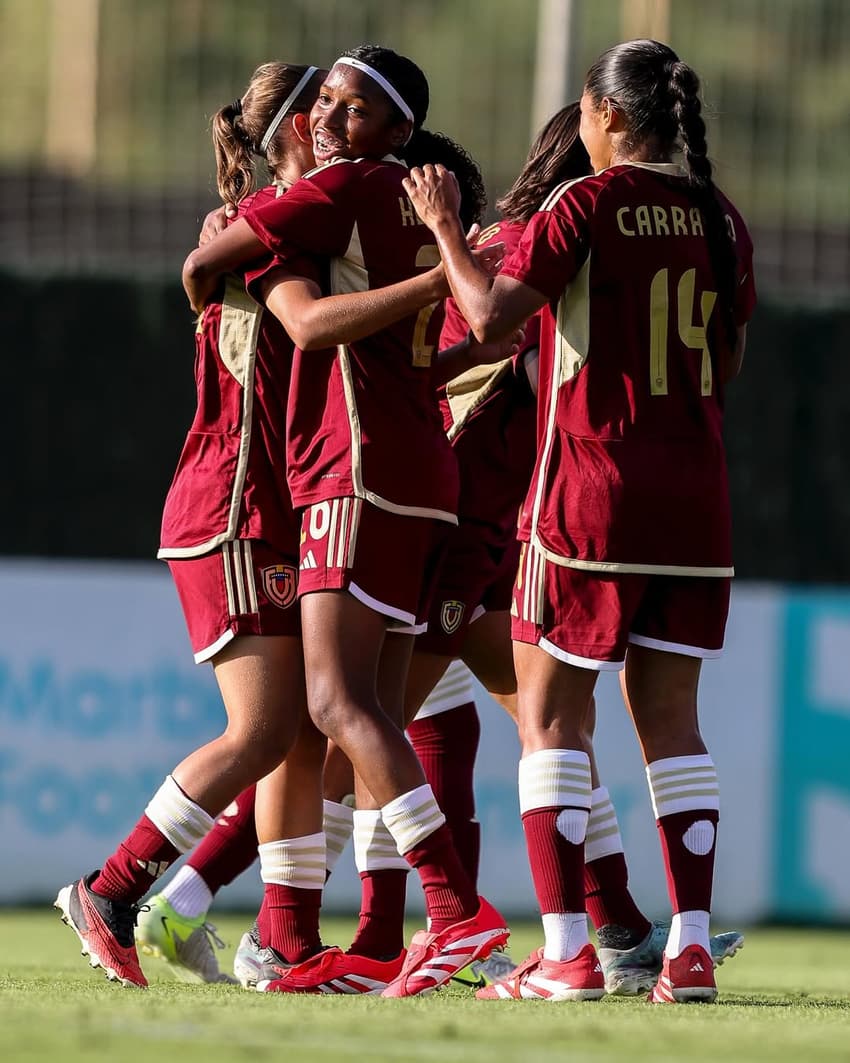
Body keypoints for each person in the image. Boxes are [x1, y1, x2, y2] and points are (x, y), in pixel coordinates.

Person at [403, 39, 755, 1004]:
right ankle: (687, 949)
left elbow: (491, 319)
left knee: (551, 719)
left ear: (606, 116)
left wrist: (444, 229)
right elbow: (725, 362)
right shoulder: (720, 217)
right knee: (673, 723)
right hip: (698, 502)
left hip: (591, 492)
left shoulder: (583, 204)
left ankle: (565, 953)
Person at [180, 45, 512, 999]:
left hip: (352, 471)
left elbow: (237, 283)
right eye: (323, 101)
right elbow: (472, 336)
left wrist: (214, 260)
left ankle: (451, 914)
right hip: (427, 476)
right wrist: (447, 268)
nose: (328, 118)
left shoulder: (342, 192)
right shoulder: (413, 205)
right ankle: (354, 941)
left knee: (327, 711)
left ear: (399, 131)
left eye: (353, 107)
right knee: (380, 717)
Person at [54, 61, 345, 991]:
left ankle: (283, 935)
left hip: (269, 506)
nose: (340, 124)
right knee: (262, 730)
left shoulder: (278, 221)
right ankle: (111, 890)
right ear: (294, 128)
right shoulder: (273, 223)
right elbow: (294, 316)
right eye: (326, 109)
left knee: (304, 730)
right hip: (232, 506)